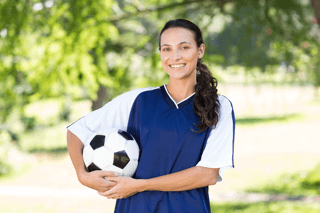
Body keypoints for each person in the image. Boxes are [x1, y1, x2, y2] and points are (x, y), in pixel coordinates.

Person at [67, 19, 235, 213]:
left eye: (184, 47)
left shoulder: (218, 106)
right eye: (167, 49)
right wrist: (82, 174)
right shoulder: (137, 100)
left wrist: (140, 185)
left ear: (200, 51)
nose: (175, 56)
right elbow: (76, 131)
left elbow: (208, 174)